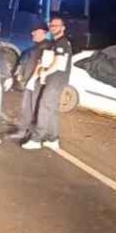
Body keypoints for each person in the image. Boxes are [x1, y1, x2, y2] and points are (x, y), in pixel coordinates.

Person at [22, 17, 73, 150]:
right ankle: (53, 138)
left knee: (44, 108)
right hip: (55, 81)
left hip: (55, 82)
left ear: (63, 28)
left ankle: (36, 139)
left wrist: (45, 73)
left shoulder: (61, 42)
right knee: (52, 110)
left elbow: (57, 63)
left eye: (56, 25)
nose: (53, 27)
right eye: (51, 25)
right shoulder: (57, 43)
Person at [6, 21, 52, 141]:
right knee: (27, 107)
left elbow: (43, 65)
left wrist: (32, 79)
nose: (32, 33)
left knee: (30, 107)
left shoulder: (46, 47)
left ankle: (26, 132)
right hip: (30, 82)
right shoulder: (37, 46)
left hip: (35, 83)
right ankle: (25, 130)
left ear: (43, 32)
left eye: (35, 31)